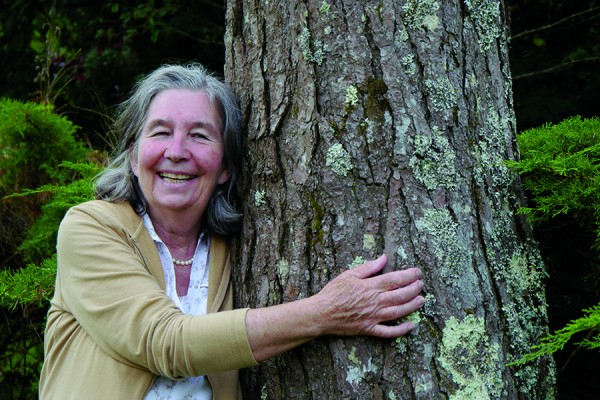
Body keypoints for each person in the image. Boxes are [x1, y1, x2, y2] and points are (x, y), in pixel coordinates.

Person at [39, 63, 425, 399]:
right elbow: (165, 342)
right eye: (160, 132)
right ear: (133, 154)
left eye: (199, 135)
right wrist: (325, 312)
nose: (176, 151)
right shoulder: (90, 227)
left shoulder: (239, 250)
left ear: (225, 166)